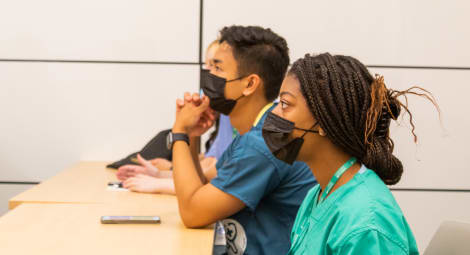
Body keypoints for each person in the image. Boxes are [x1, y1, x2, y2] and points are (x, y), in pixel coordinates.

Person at [261, 53, 439, 254]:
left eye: (285, 104)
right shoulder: (318, 195)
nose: (274, 114)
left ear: (323, 121)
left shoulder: (365, 221)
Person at [170, 25, 316, 255]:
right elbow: (206, 190)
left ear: (250, 84)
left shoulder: (264, 142)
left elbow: (192, 212)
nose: (209, 75)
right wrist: (192, 135)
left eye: (217, 68)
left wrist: (179, 131)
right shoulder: (269, 127)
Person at [115, 40, 235, 194]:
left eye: (217, 67)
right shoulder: (226, 116)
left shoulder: (255, 126)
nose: (210, 75)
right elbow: (210, 169)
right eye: (208, 68)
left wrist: (162, 180)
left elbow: (215, 181)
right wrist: (161, 174)